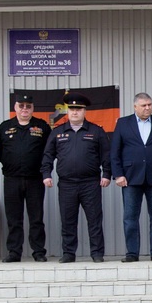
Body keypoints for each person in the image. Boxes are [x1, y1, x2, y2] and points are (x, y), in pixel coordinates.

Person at [41, 92, 112, 263]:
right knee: (68, 220)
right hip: (67, 184)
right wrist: (46, 174)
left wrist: (107, 174)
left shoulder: (96, 131)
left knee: (94, 219)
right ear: (67, 111)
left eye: (78, 109)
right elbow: (48, 155)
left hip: (90, 183)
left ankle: (96, 253)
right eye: (72, 109)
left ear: (84, 111)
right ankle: (68, 253)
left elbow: (106, 155)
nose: (75, 112)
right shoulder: (58, 132)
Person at [111, 92, 152, 263]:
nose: (147, 108)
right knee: (130, 218)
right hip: (131, 178)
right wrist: (118, 175)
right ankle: (132, 253)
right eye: (144, 105)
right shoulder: (123, 123)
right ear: (135, 107)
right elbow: (115, 152)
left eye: (149, 105)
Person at [0, 93, 52, 262]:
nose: (24, 109)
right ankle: (14, 252)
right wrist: (11, 162)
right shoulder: (5, 127)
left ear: (32, 108)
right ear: (15, 107)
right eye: (21, 106)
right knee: (14, 218)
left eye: (28, 106)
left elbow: (50, 151)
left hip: (35, 179)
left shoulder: (42, 127)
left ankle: (39, 252)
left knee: (36, 218)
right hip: (12, 179)